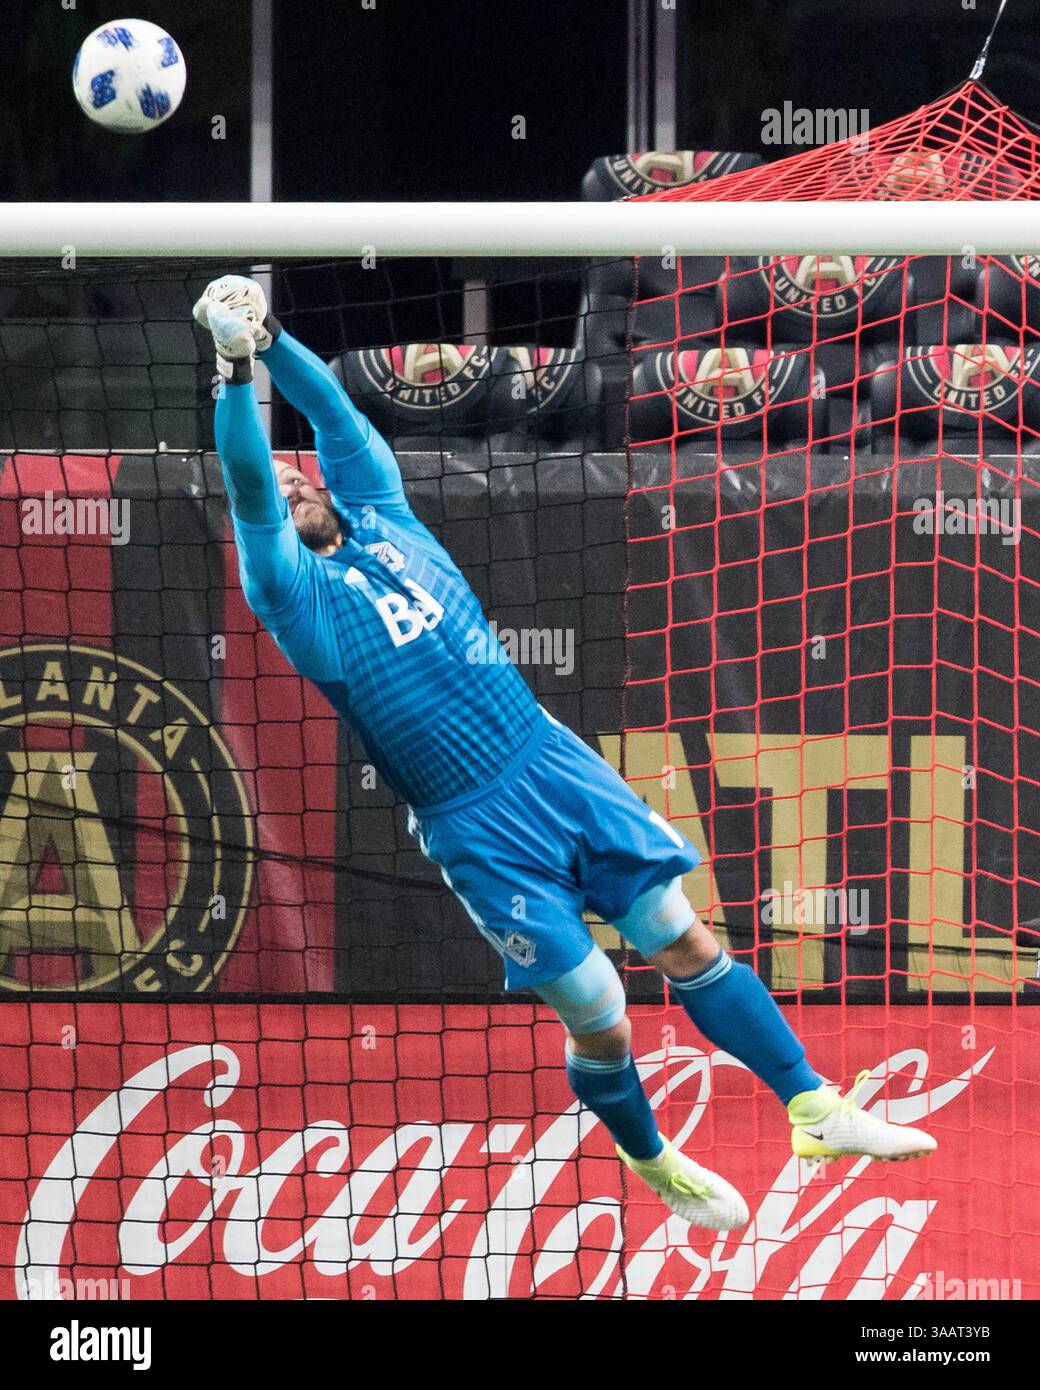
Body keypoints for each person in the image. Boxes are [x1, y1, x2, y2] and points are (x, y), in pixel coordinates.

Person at [195, 275, 936, 1232]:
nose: (292, 481)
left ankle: (814, 1109)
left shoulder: (384, 510)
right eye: (280, 486)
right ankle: (654, 1159)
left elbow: (333, 416)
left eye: (303, 476)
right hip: (474, 821)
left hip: (549, 761)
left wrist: (274, 337)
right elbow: (252, 484)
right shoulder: (288, 593)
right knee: (599, 1007)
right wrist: (232, 368)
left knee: (684, 937)